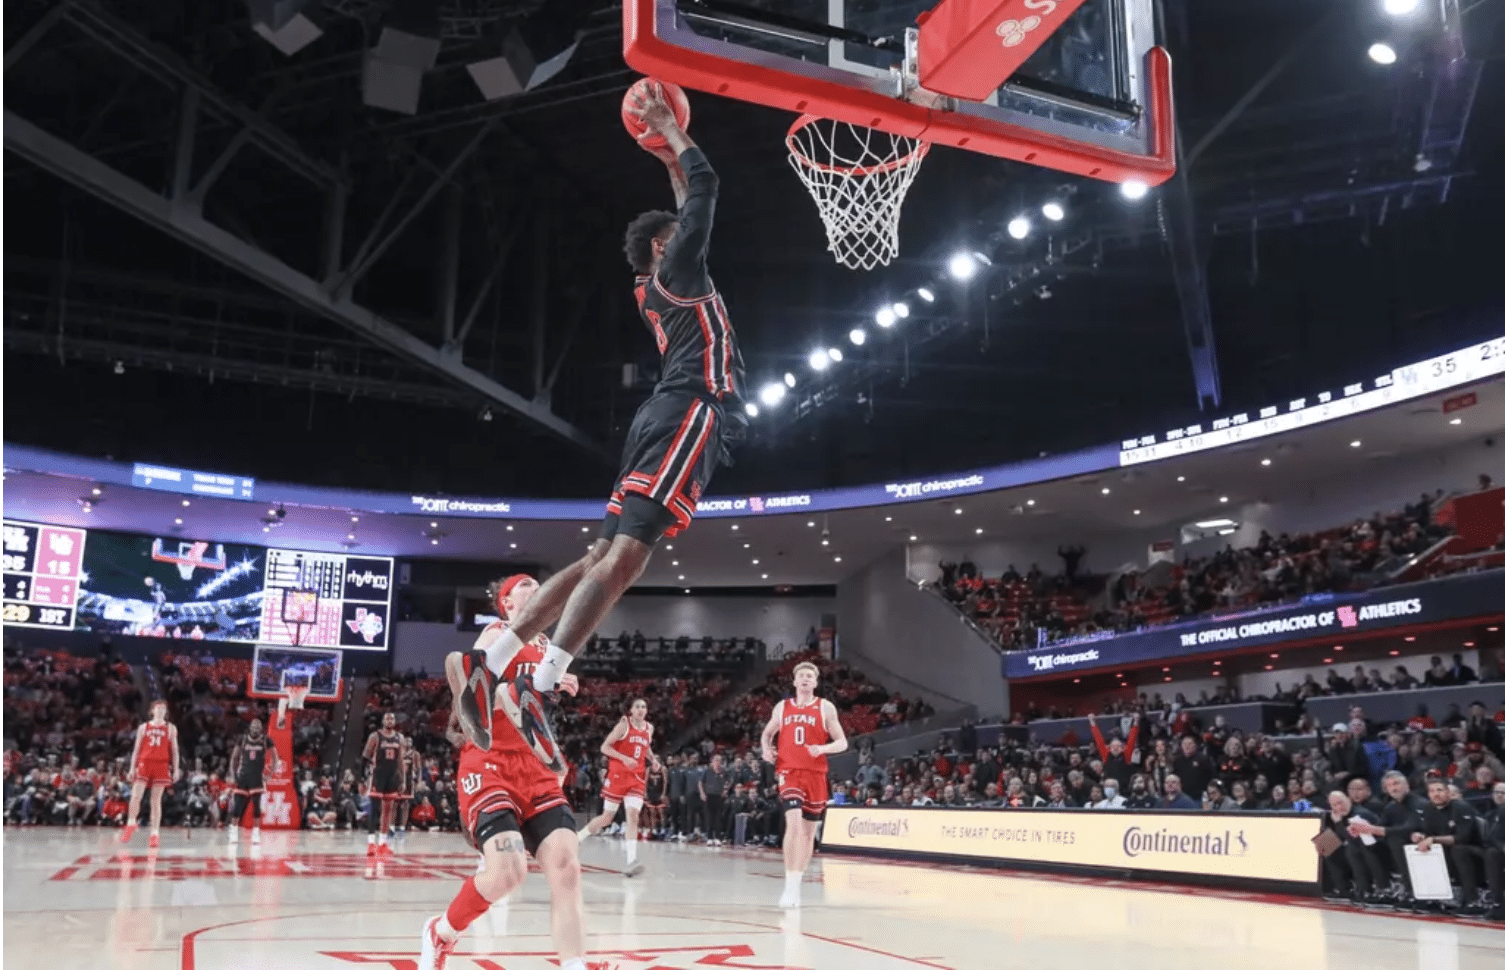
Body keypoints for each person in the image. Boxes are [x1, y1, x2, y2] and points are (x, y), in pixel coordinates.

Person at [460, 82, 747, 760]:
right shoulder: (678, 268)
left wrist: (662, 155)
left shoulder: (662, 283)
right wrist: (671, 136)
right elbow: (707, 186)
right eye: (679, 237)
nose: (693, 238)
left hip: (660, 417)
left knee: (598, 556)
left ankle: (494, 661)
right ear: (660, 248)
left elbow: (686, 196)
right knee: (624, 561)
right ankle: (543, 679)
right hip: (688, 414)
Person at [419, 573, 592, 971]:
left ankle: (575, 967)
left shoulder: (549, 645)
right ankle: (441, 932)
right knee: (509, 872)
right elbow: (472, 688)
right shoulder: (497, 633)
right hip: (491, 762)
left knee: (567, 867)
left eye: (539, 585)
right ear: (507, 602)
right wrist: (524, 686)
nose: (538, 588)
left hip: (535, 766)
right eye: (527, 585)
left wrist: (559, 681)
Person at [760, 661, 848, 908]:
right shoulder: (782, 707)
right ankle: (788, 887)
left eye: (810, 675)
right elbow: (767, 734)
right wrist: (766, 749)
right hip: (789, 771)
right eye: (802, 676)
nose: (806, 679)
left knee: (808, 833)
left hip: (816, 774)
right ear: (795, 681)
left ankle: (796, 886)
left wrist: (821, 748)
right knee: (794, 824)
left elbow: (842, 743)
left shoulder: (825, 707)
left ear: (816, 682)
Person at [578, 699, 654, 876]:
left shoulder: (649, 728)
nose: (641, 709)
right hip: (618, 775)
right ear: (631, 710)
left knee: (633, 816)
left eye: (644, 706)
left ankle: (631, 860)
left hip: (636, 777)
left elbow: (646, 748)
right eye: (637, 706)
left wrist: (654, 759)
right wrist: (624, 758)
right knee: (607, 818)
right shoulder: (623, 725)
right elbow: (605, 747)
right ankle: (578, 837)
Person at [120, 699, 179, 847]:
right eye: (158, 708)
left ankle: (154, 834)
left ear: (166, 712)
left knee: (156, 800)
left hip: (161, 764)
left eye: (164, 709)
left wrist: (176, 769)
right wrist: (132, 768)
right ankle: (131, 822)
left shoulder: (171, 728)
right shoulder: (143, 727)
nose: (161, 711)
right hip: (144, 762)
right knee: (135, 795)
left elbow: (175, 751)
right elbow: (136, 749)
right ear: (152, 710)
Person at [227, 715, 279, 849]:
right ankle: (233, 831)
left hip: (257, 777)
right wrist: (233, 774)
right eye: (253, 726)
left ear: (261, 729)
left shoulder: (266, 740)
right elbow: (234, 758)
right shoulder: (242, 739)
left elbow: (275, 758)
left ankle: (256, 833)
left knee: (256, 806)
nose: (255, 728)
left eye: (258, 726)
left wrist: (270, 775)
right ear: (250, 727)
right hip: (243, 776)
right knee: (238, 806)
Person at [363, 712, 407, 856]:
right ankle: (371, 843)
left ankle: (383, 843)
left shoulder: (400, 738)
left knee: (388, 811)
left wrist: (403, 779)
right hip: (377, 775)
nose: (390, 720)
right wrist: (365, 776)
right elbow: (365, 755)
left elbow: (401, 760)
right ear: (383, 721)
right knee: (374, 810)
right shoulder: (375, 736)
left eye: (392, 718)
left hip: (392, 776)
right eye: (387, 718)